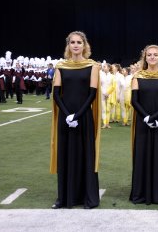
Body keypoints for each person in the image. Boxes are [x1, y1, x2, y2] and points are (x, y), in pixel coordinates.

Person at [50, 31, 101, 209]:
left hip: (84, 117)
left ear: (85, 45)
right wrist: (67, 115)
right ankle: (64, 198)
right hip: (66, 119)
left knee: (85, 155)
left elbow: (92, 94)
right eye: (73, 42)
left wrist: (77, 115)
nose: (76, 45)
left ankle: (88, 198)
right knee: (65, 156)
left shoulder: (93, 66)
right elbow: (56, 94)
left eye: (79, 42)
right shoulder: (61, 66)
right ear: (68, 46)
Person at [129, 44, 158, 205]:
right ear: (145, 57)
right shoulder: (137, 76)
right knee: (142, 154)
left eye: (156, 55)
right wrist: (147, 118)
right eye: (149, 55)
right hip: (143, 122)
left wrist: (154, 117)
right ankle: (141, 193)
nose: (153, 57)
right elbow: (134, 101)